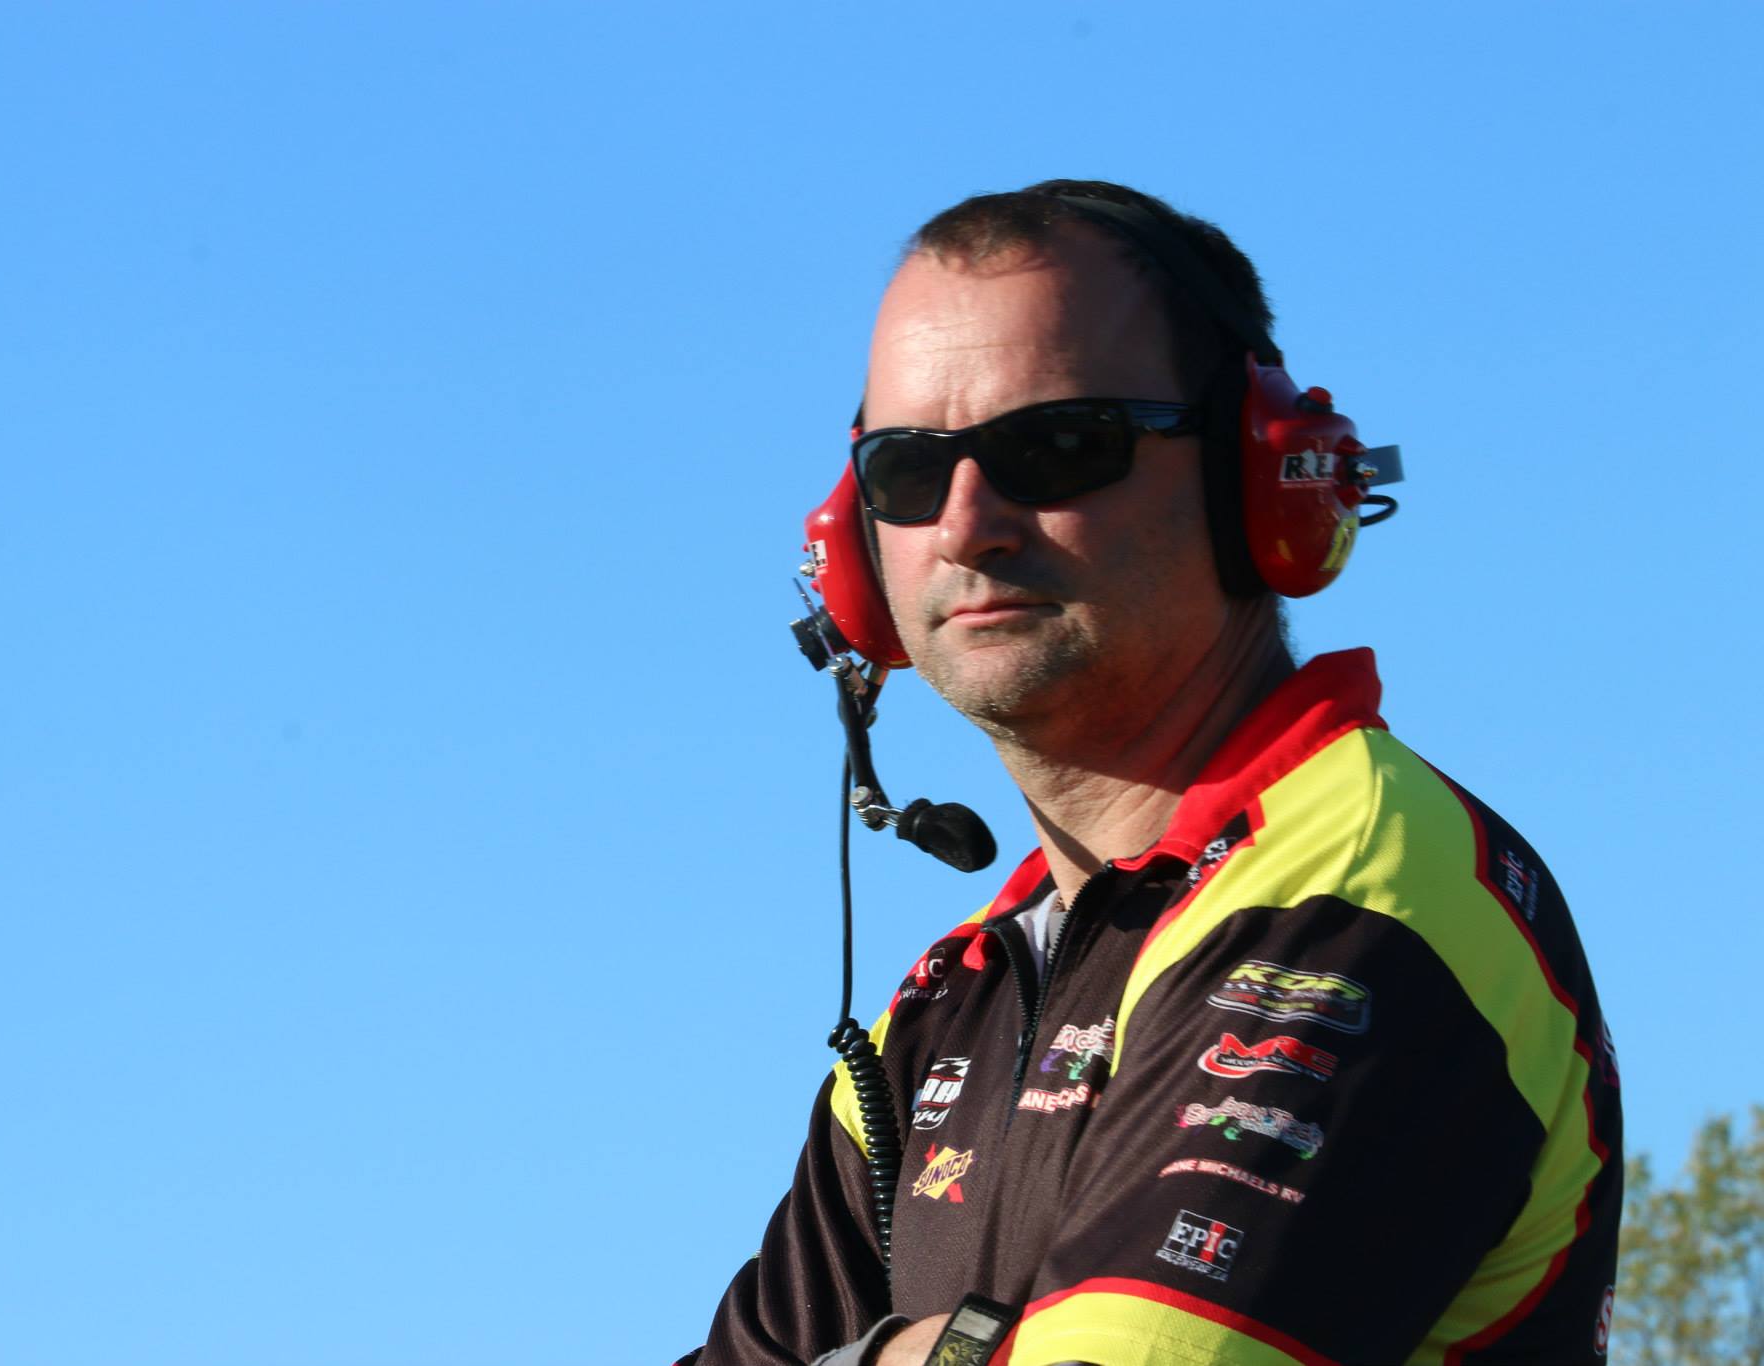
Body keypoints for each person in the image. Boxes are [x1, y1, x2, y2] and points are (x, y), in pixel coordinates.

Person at [680, 181, 1622, 1366]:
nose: (965, 525)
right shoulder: (942, 1007)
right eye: (906, 469)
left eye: (1057, 447)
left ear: (1256, 478)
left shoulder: (1355, 900)